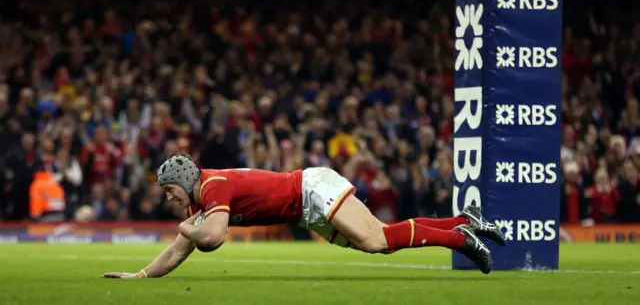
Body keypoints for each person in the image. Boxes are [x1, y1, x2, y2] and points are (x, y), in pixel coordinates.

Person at [103, 154, 505, 279]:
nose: (171, 201)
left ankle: (461, 240)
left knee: (376, 241)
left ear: (184, 180)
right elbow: (178, 251)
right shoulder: (200, 201)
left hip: (310, 189)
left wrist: (184, 228)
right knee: (381, 238)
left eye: (170, 192)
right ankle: (463, 222)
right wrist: (139, 277)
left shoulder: (213, 187)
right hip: (305, 209)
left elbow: (211, 239)